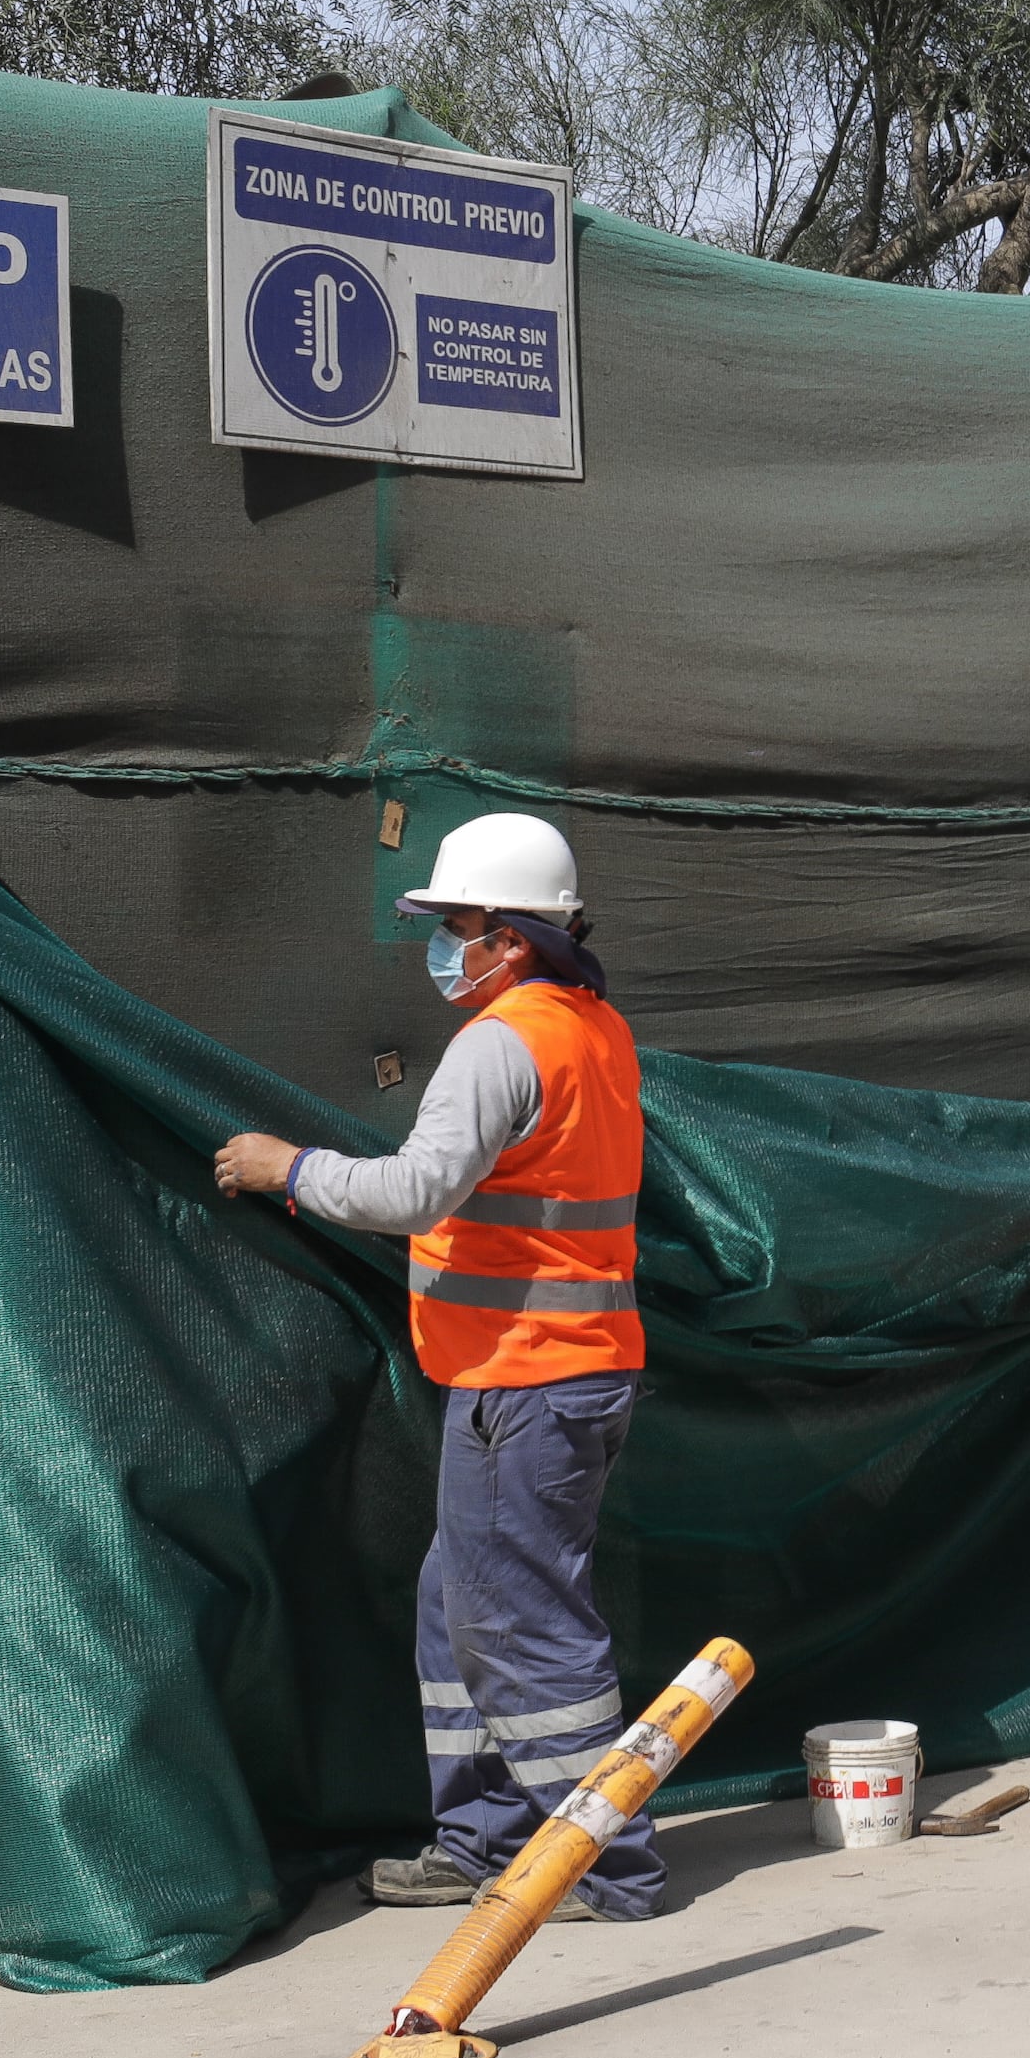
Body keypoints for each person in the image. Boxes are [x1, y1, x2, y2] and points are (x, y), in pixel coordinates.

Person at [212, 811, 659, 1916]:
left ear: (513, 937)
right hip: (559, 1374)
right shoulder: (589, 1029)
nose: (441, 947)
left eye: (456, 925)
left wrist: (290, 1167)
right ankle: (481, 1838)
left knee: (518, 1627)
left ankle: (602, 1861)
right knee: (458, 1607)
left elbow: (415, 1192)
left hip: (527, 1381)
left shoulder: (502, 1043)